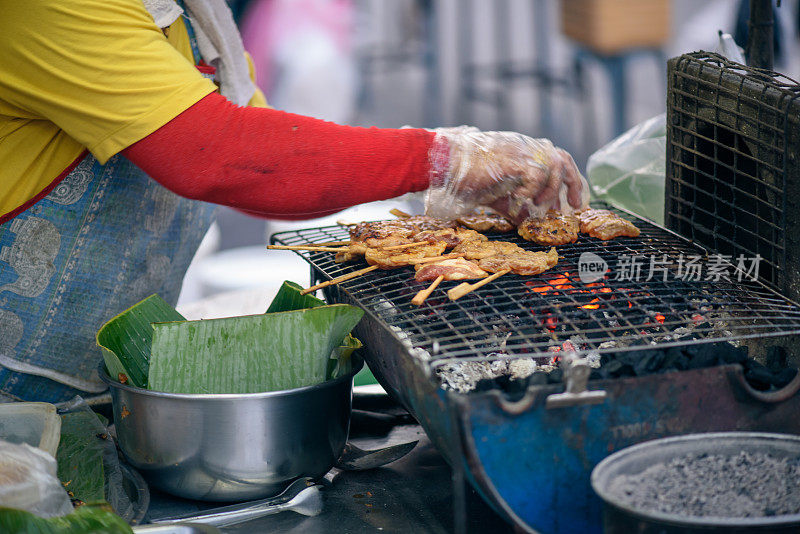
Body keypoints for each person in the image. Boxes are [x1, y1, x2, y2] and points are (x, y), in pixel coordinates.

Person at [0, 0, 587, 403]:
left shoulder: (185, 18)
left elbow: (269, 161)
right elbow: (221, 156)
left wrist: (430, 191)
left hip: (106, 384)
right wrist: (440, 159)